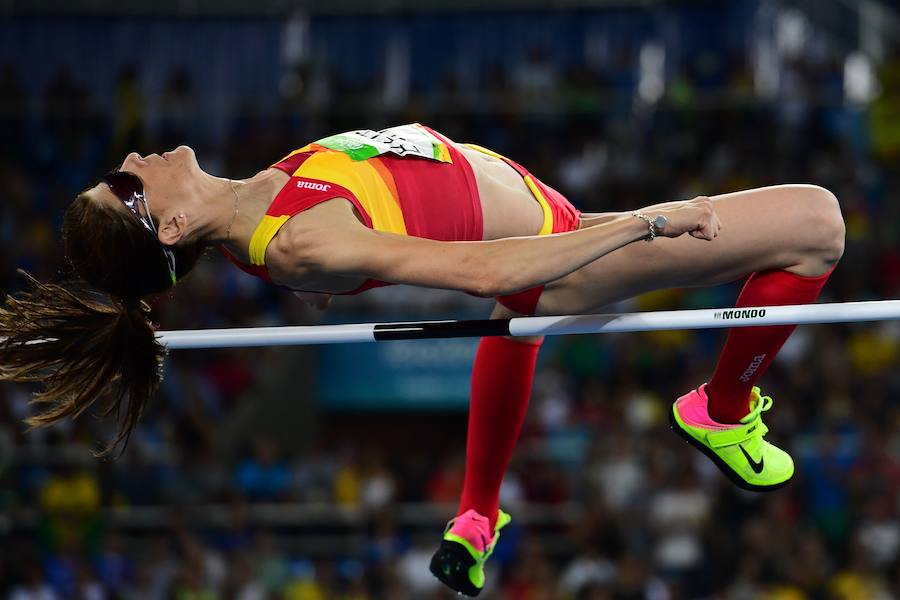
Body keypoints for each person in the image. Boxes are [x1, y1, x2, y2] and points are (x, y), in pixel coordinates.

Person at [0, 123, 844, 597]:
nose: (135, 161)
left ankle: (477, 517)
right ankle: (724, 411)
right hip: (567, 252)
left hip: (558, 218)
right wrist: (647, 223)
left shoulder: (261, 209)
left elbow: (368, 224)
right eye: (125, 182)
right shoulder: (294, 238)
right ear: (170, 230)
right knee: (817, 225)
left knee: (513, 323)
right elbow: (488, 272)